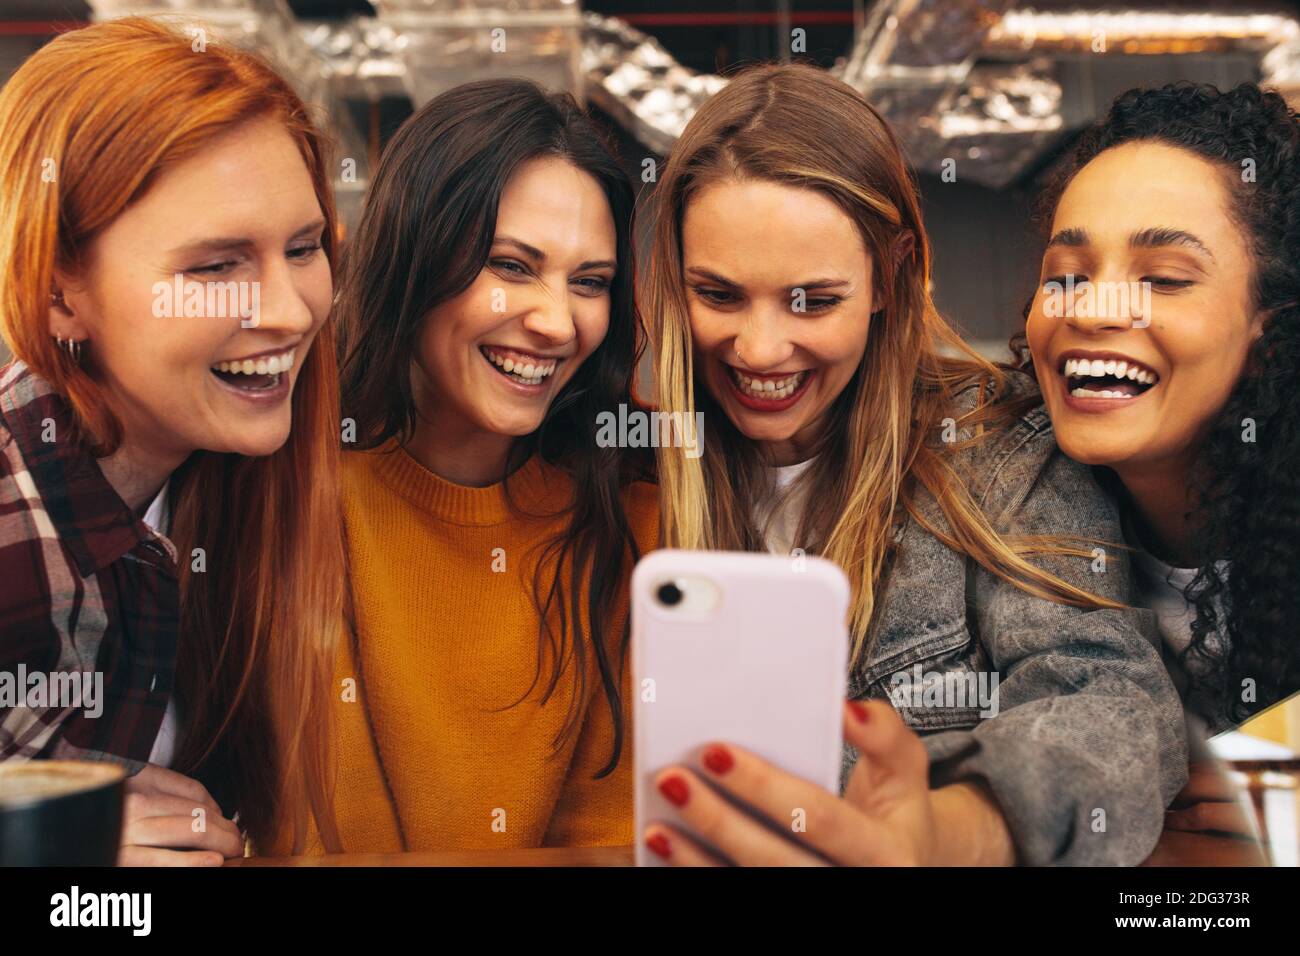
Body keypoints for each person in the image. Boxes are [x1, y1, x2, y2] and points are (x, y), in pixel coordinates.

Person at [639, 62, 1186, 866]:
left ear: (890, 274)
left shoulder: (1000, 455)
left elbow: (1111, 705)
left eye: (812, 302)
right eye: (717, 295)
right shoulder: (631, 476)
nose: (757, 349)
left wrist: (946, 831)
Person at [0, 18, 346, 864]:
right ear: (57, 298)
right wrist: (41, 844)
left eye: (304, 248)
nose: (292, 311)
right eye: (214, 267)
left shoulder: (229, 479)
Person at [286, 78, 657, 853]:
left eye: (590, 282)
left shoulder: (636, 515)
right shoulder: (285, 491)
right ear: (413, 256)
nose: (557, 322)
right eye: (512, 267)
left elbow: (616, 844)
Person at [1020, 81, 1300, 845]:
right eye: (1065, 274)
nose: (1092, 309)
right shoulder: (995, 530)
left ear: (1268, 331)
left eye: (1164, 278)